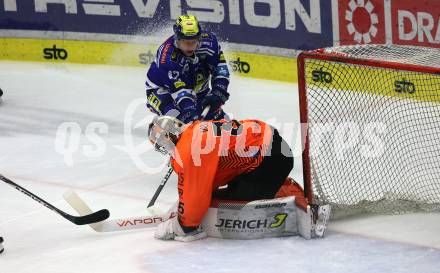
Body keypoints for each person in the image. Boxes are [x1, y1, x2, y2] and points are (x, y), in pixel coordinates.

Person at [148, 116, 331, 242]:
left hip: (269, 160)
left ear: (167, 139)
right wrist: (183, 203)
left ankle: (298, 201)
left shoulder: (189, 149)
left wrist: (181, 224)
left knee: (229, 206)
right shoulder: (194, 132)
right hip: (269, 152)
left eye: (161, 144)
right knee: (221, 197)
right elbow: (208, 181)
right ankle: (278, 186)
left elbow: (196, 199)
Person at [145, 15, 230, 123]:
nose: (189, 47)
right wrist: (189, 111)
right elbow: (180, 91)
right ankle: (166, 133)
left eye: (193, 42)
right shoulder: (167, 58)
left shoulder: (210, 43)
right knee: (176, 117)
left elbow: (220, 69)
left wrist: (219, 91)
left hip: (198, 91)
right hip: (161, 90)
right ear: (177, 39)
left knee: (216, 118)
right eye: (185, 42)